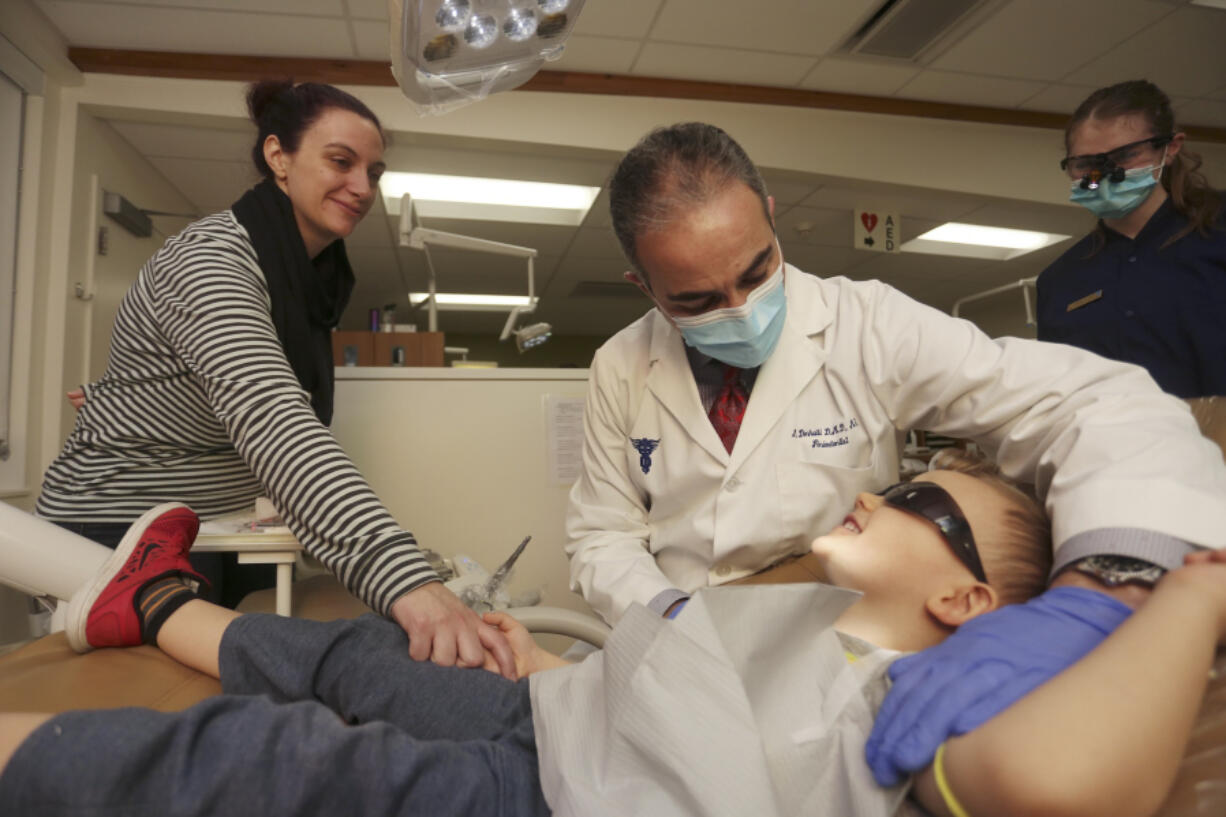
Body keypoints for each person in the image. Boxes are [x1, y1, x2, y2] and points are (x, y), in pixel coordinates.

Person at [563, 122, 1226, 781]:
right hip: (676, 645)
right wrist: (672, 620)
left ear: (770, 218)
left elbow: (1096, 402)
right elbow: (602, 533)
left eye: (758, 269)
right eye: (697, 300)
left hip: (831, 647)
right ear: (643, 285)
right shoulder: (620, 365)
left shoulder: (869, 326)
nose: (740, 310)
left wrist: (1105, 583)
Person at [12, 454, 1214, 817]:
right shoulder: (798, 606)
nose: (889, 494)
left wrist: (1190, 591)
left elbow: (1056, 779)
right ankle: (149, 603)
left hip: (564, 802)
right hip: (552, 712)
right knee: (357, 654)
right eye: (909, 474)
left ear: (963, 601)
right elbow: (673, 691)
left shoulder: (933, 687)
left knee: (263, 763)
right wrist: (529, 656)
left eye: (927, 507)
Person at [34, 80, 512, 677]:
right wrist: (405, 578)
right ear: (278, 156)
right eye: (341, 161)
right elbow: (274, 420)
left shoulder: (314, 282)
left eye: (375, 171)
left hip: (216, 524)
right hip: (120, 532)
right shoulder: (210, 259)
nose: (363, 188)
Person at [1037, 79, 1225, 400]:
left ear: (1171, 148)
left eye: (1125, 155)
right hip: (1110, 446)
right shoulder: (1060, 282)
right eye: (1086, 164)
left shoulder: (1217, 232)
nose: (1104, 175)